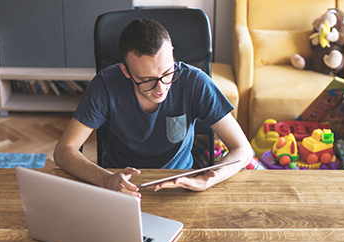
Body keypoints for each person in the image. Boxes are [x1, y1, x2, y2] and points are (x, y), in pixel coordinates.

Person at [54, 18, 252, 198]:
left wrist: (207, 178)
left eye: (168, 72)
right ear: (125, 71)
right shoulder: (105, 86)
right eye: (146, 80)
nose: (161, 88)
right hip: (118, 187)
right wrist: (106, 179)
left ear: (172, 53)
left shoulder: (195, 83)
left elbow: (243, 149)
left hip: (179, 186)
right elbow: (63, 150)